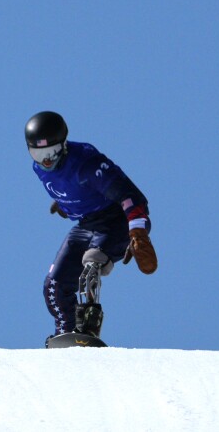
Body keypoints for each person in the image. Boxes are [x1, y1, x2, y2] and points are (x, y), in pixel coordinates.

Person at [24, 111, 158, 343]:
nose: (46, 160)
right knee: (54, 284)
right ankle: (65, 333)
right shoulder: (38, 168)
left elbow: (130, 196)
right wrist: (68, 203)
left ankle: (89, 328)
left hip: (115, 220)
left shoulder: (87, 163)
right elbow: (65, 183)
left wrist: (137, 231)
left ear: (63, 144)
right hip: (86, 223)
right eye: (38, 153)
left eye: (51, 152)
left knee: (91, 265)